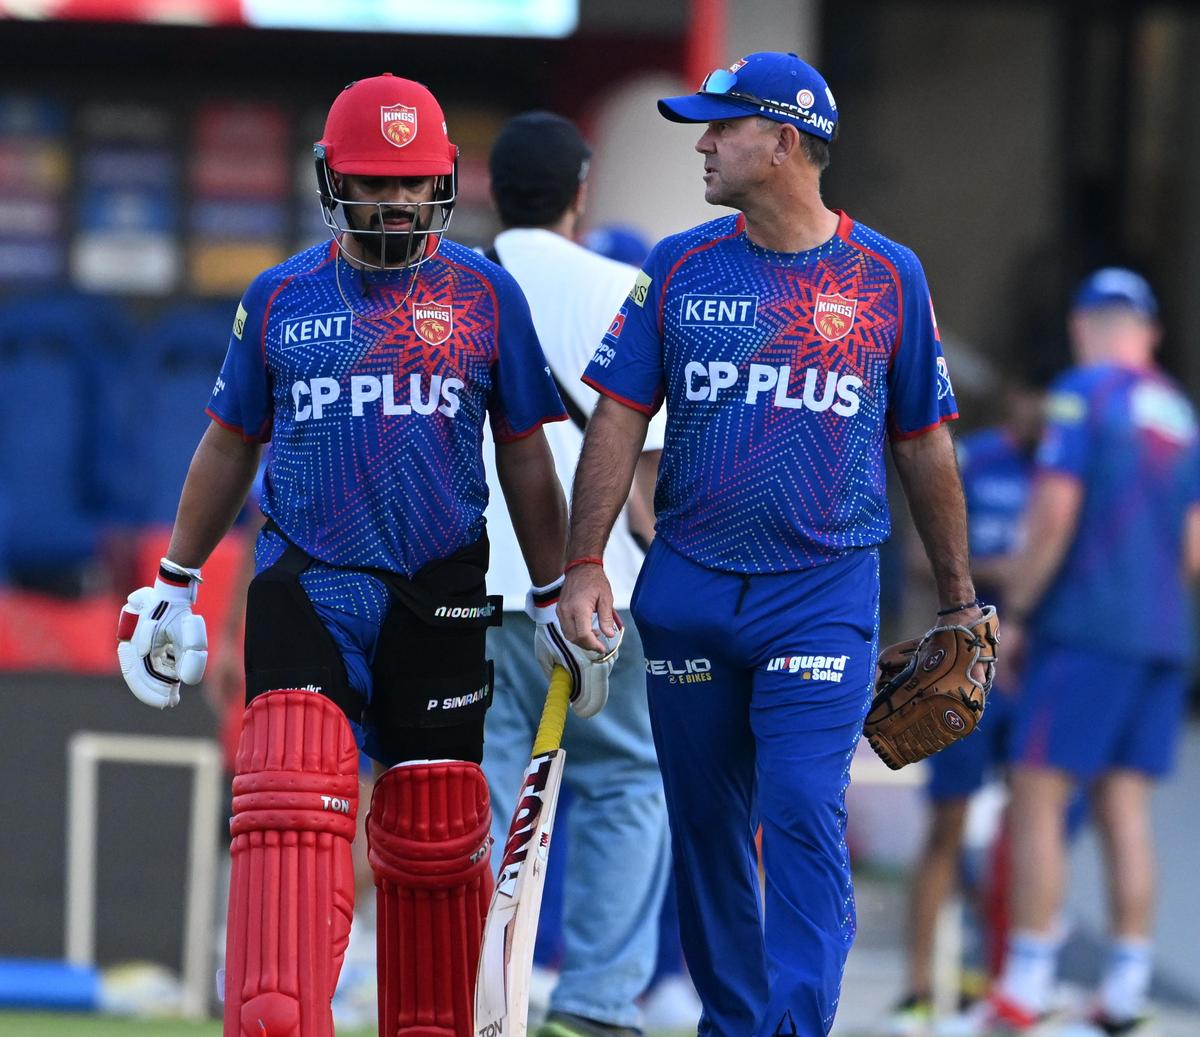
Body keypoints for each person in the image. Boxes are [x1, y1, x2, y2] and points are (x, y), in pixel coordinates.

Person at [115, 73, 618, 1037]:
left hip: (443, 590)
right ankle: (279, 1017)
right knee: (289, 808)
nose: (393, 200)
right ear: (329, 179)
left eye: (411, 180)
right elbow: (228, 441)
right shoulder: (280, 297)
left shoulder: (487, 295)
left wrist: (557, 594)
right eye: (374, 181)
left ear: (444, 181)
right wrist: (173, 585)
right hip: (309, 580)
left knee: (436, 835)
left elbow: (526, 458)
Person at [557, 51, 985, 1037]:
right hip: (692, 588)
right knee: (707, 826)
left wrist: (959, 600)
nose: (702, 143)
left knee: (798, 806)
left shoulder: (889, 275)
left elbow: (924, 444)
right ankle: (736, 1022)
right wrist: (585, 562)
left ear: (784, 142)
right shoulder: (677, 266)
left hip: (823, 590)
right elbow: (618, 418)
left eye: (721, 126)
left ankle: (792, 1026)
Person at [479, 111, 671, 1037]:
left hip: (472, 581)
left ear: (489, 188)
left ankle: (471, 987)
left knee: (479, 780)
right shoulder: (620, 287)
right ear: (582, 189)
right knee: (627, 780)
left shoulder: (453, 286)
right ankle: (595, 1003)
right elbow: (647, 476)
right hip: (603, 584)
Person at [985, 269, 1200, 1036]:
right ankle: (1124, 988)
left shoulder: (1082, 394)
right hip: (1162, 634)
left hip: (1085, 628)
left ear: (1084, 326)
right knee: (1125, 805)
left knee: (1039, 793)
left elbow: (1052, 512)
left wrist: (1021, 610)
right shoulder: (1179, 412)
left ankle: (1024, 985)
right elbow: (1194, 548)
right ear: (1149, 332)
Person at [884, 382, 1043, 1037]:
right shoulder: (971, 460)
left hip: (1038, 675)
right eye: (1034, 400)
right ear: (1015, 404)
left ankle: (1015, 987)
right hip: (968, 668)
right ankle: (919, 990)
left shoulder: (1075, 468)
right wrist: (1006, 568)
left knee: (1036, 834)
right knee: (946, 826)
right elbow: (923, 559)